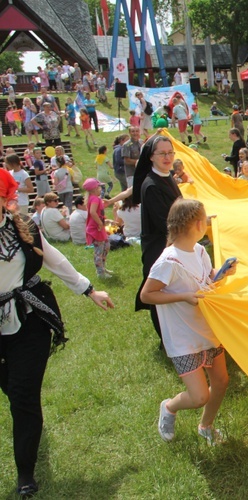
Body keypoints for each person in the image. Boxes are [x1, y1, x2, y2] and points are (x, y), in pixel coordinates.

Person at [0, 168, 113, 498]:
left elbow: (55, 260)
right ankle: (29, 421)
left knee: (22, 396)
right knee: (12, 389)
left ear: (6, 201)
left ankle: (25, 472)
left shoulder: (25, 229)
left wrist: (89, 289)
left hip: (29, 321)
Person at [140, 198, 233, 445]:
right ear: (197, 223)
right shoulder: (169, 261)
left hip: (207, 329)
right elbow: (147, 294)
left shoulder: (200, 251)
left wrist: (223, 273)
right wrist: (183, 296)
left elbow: (208, 280)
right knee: (199, 395)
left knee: (222, 382)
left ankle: (206, 426)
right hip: (183, 336)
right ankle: (170, 407)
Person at [133, 135, 183, 340]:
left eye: (170, 153)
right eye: (162, 153)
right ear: (151, 157)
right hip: (158, 248)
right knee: (158, 293)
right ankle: (167, 339)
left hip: (171, 244)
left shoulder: (166, 175)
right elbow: (165, 222)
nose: (167, 157)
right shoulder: (152, 185)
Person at [82, 178, 111, 278]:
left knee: (106, 246)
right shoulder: (94, 198)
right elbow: (92, 212)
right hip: (96, 228)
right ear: (94, 189)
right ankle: (100, 272)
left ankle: (103, 267)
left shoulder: (94, 198)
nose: (101, 189)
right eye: (99, 187)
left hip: (99, 228)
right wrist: (100, 223)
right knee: (99, 250)